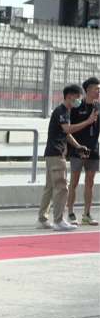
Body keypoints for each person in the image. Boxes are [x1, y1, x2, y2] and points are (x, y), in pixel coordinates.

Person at [37, 84, 93, 231]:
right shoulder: (62, 111)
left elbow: (66, 134)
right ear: (70, 96)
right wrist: (87, 122)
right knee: (61, 187)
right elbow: (67, 129)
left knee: (49, 187)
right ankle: (58, 220)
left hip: (52, 153)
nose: (79, 101)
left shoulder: (65, 111)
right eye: (78, 97)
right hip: (56, 153)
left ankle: (42, 218)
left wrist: (78, 146)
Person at [66, 77, 100, 226]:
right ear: (88, 90)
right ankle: (71, 213)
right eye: (96, 88)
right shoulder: (77, 107)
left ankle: (87, 214)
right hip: (77, 150)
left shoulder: (99, 107)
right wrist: (88, 121)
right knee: (73, 182)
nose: (98, 91)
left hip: (93, 149)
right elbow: (68, 129)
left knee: (90, 182)